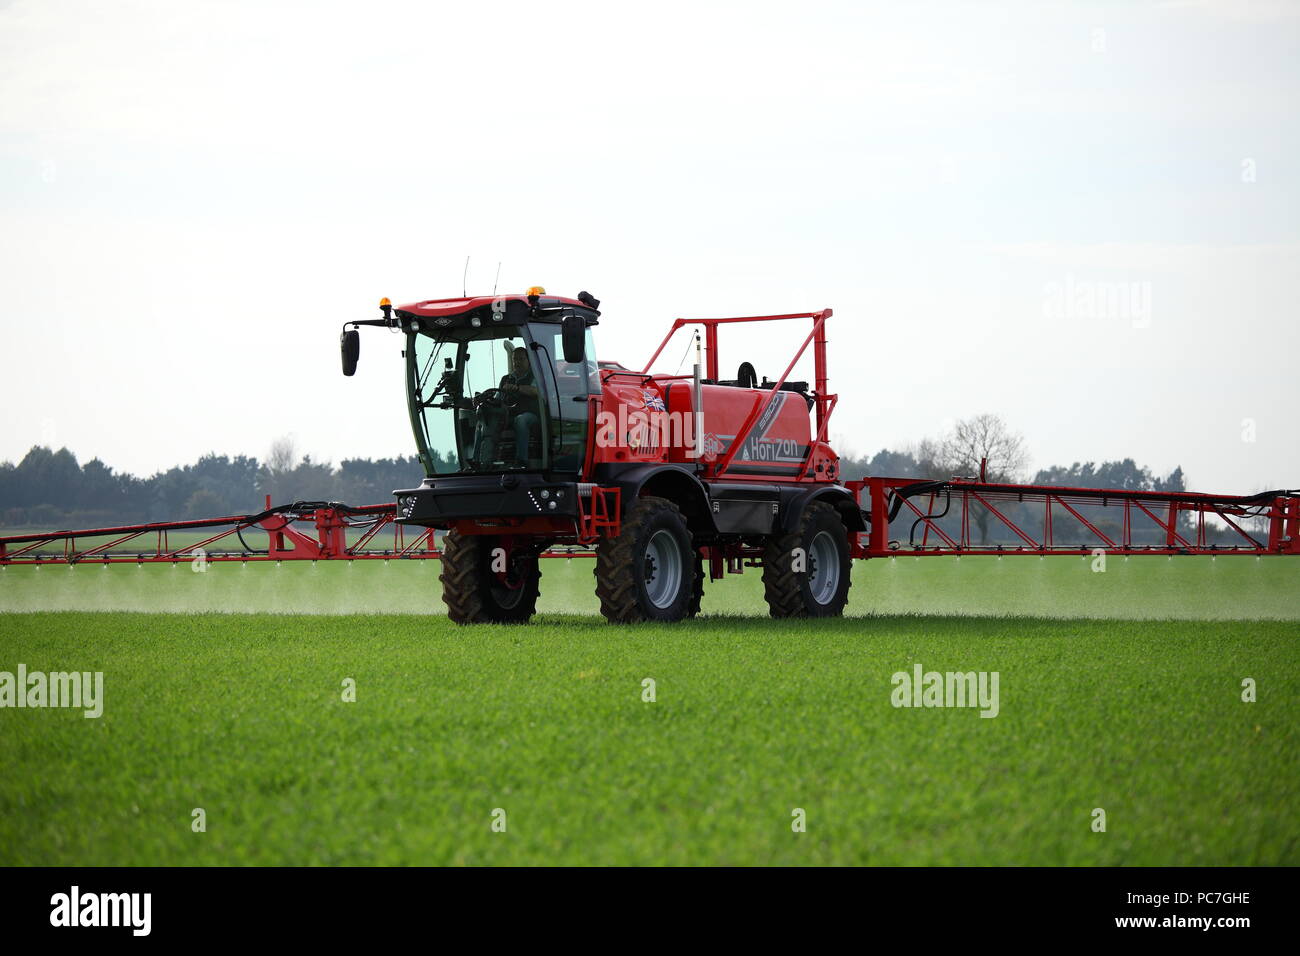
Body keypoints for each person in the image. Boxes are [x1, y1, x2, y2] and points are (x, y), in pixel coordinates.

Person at [472, 346, 541, 467]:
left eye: (521, 359)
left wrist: (517, 388)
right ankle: (477, 461)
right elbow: (498, 398)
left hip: (531, 415)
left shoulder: (535, 376)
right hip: (507, 414)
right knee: (482, 422)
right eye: (515, 359)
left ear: (529, 360)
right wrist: (483, 399)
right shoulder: (506, 379)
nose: (517, 362)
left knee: (521, 420)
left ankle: (521, 461)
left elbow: (535, 391)